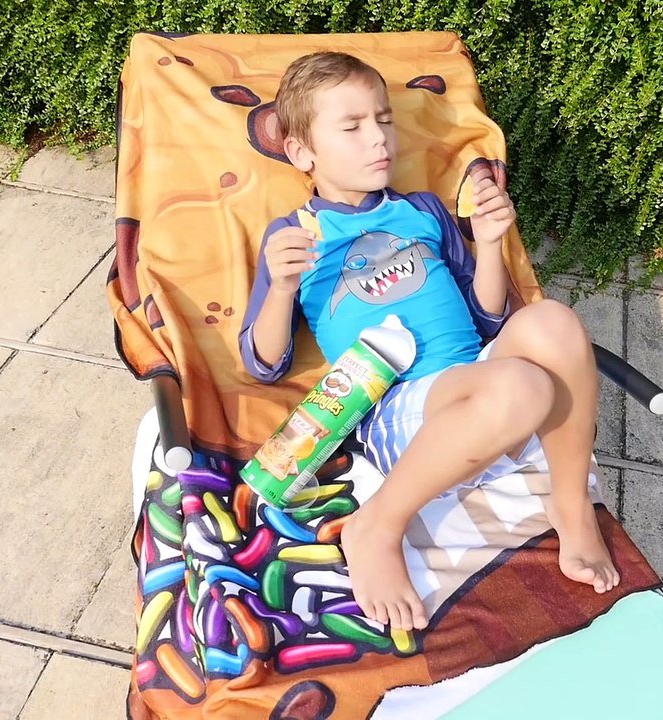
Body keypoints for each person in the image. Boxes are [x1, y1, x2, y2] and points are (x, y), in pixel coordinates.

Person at [238, 51, 618, 633]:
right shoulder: (295, 234)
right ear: (301, 152)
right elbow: (263, 362)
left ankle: (570, 507)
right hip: (402, 411)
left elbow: (487, 319)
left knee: (555, 323)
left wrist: (490, 244)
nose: (379, 139)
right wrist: (282, 288)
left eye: (384, 119)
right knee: (521, 386)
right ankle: (378, 525)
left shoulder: (423, 210)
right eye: (352, 126)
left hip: (476, 378)